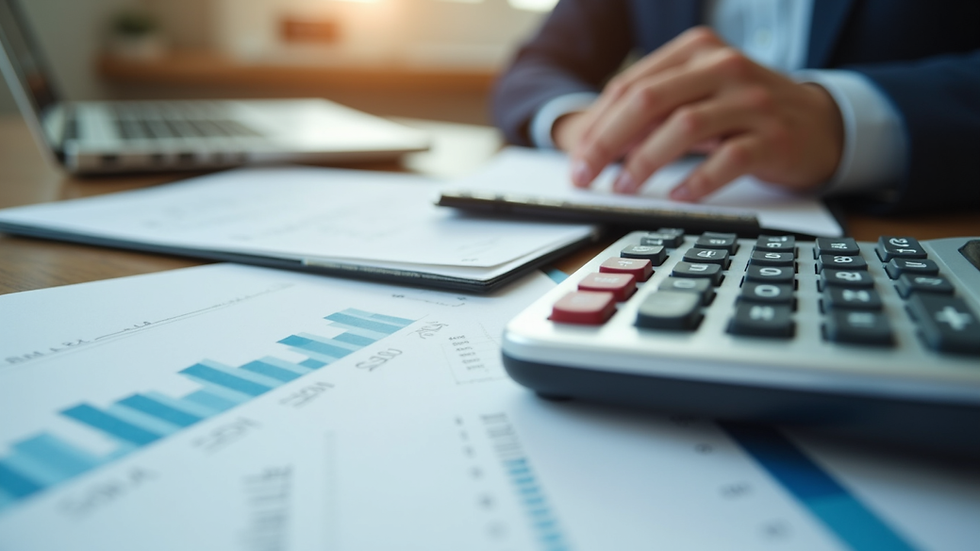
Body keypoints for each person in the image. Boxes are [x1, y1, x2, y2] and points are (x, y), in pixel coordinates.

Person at [492, 0, 980, 213]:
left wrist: (844, 119)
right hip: (653, 212)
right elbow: (538, 64)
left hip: (894, 223)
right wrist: (585, 126)